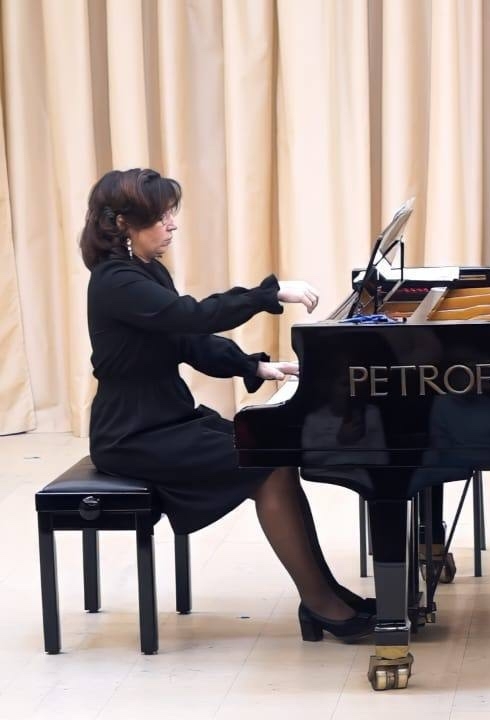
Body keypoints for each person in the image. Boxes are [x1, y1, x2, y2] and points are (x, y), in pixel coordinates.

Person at [79, 168, 374, 642]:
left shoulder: (147, 272)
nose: (172, 224)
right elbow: (193, 316)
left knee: (272, 452)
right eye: (160, 216)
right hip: (133, 435)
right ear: (122, 223)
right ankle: (321, 602)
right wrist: (267, 295)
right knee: (266, 465)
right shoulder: (115, 282)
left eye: (171, 213)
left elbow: (188, 340)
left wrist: (254, 367)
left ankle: (324, 594)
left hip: (168, 420)